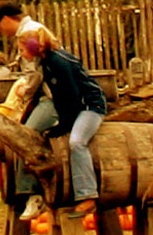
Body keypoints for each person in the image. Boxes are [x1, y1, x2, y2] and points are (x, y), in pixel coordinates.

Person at [16, 26, 109, 221]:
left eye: (22, 50)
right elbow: (59, 99)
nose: (21, 55)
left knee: (77, 142)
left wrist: (66, 125)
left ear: (34, 47)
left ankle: (88, 196)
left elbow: (73, 97)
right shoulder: (46, 63)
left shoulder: (59, 62)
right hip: (77, 107)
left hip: (90, 107)